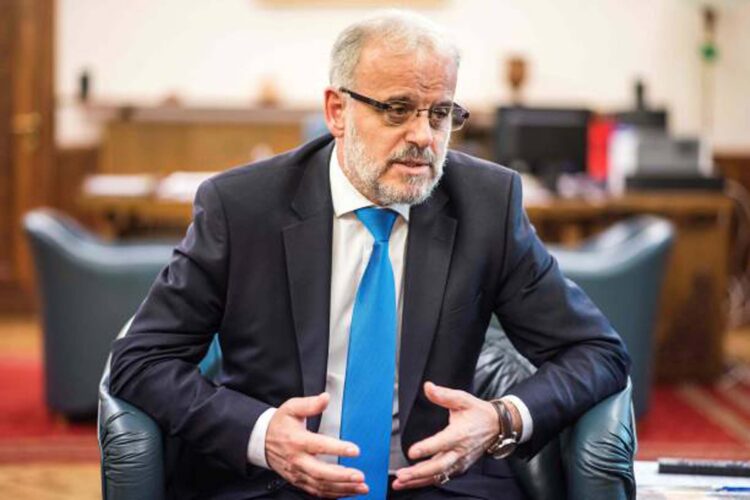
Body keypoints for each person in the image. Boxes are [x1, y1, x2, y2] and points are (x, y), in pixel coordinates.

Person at [110, 10, 629, 500]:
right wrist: (263, 434)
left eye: (441, 112)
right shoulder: (242, 207)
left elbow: (598, 352)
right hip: (275, 482)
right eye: (398, 109)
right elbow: (141, 359)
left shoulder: (487, 205)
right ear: (338, 111)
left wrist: (502, 420)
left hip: (439, 483)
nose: (424, 136)